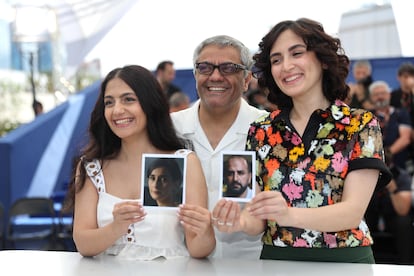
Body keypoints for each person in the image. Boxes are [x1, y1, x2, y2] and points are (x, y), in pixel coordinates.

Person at [212, 18, 392, 263]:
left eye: (297, 53)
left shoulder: (360, 124)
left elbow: (352, 212)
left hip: (346, 260)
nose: (286, 66)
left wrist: (287, 214)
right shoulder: (260, 130)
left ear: (323, 60)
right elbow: (257, 219)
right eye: (276, 60)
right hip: (278, 260)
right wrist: (238, 222)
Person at [64, 65, 215, 260]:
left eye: (128, 99)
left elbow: (198, 249)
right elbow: (83, 244)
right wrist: (116, 227)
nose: (117, 110)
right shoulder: (91, 167)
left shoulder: (184, 161)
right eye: (109, 102)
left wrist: (206, 231)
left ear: (150, 104)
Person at [170, 35, 268, 259]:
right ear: (195, 75)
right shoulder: (170, 129)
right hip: (183, 263)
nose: (215, 76)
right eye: (205, 67)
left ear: (246, 80)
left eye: (228, 68)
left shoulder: (267, 130)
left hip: (251, 265)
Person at [365, 141, 413, 264]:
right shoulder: (365, 174)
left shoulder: (400, 175)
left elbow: (403, 211)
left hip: (391, 215)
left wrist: (393, 189)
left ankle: (405, 263)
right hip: (371, 214)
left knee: (404, 221)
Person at [368, 81, 412, 170]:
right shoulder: (366, 115)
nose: (380, 97)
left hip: (400, 166)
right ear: (371, 98)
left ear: (389, 95)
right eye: (376, 94)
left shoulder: (401, 113)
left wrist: (387, 154)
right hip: (374, 167)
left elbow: (405, 138)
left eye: (383, 93)